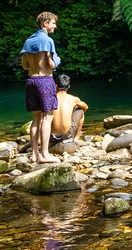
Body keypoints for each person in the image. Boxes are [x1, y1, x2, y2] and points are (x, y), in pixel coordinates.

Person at [20, 11, 61, 165]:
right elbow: (50, 64)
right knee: (47, 117)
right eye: (53, 23)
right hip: (45, 80)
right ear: (45, 24)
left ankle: (34, 154)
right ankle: (45, 154)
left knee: (36, 119)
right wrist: (57, 61)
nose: (55, 26)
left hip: (31, 81)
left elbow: (25, 65)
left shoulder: (28, 41)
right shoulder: (47, 40)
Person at [50, 74, 88, 145]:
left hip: (51, 137)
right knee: (80, 110)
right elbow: (86, 107)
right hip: (67, 136)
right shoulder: (73, 99)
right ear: (69, 87)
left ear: (56, 86)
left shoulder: (49, 99)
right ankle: (76, 138)